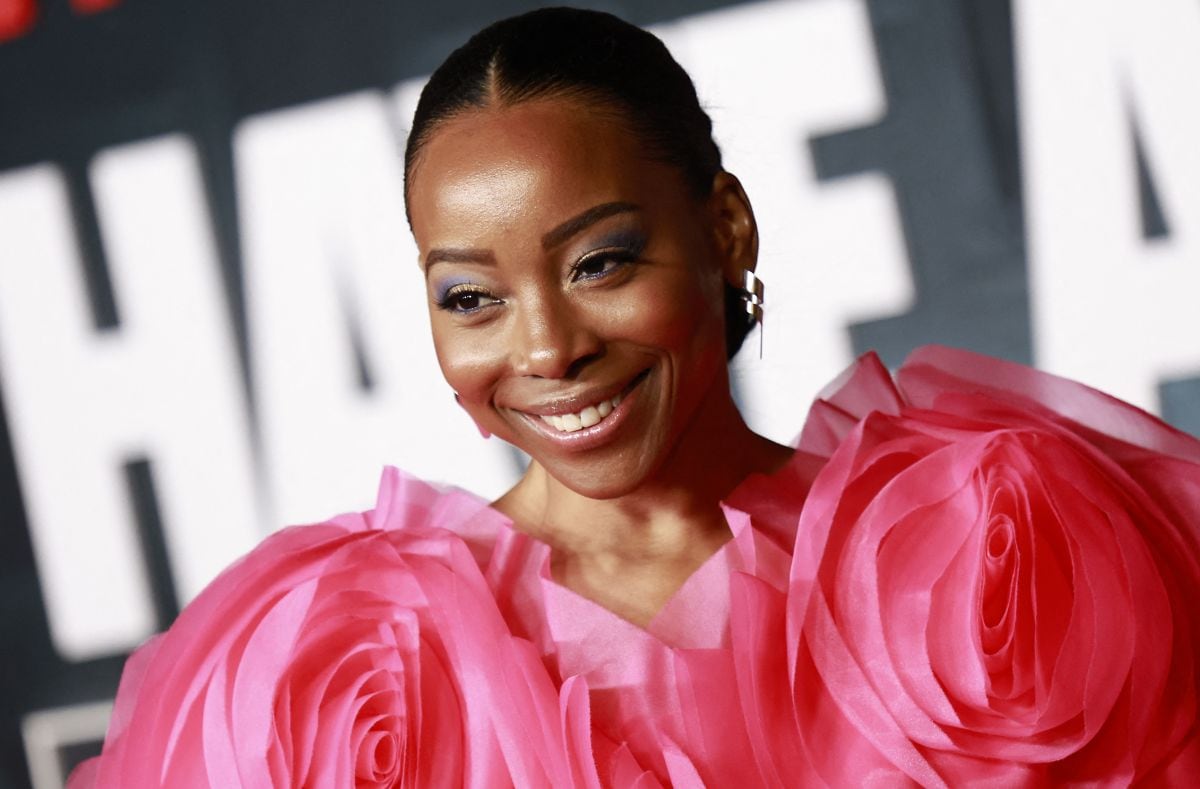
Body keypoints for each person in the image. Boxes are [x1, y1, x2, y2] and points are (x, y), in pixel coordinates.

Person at [72, 7, 1200, 787]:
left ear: (725, 227)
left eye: (599, 262)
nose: (547, 347)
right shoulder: (340, 675)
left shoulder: (990, 561)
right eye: (472, 297)